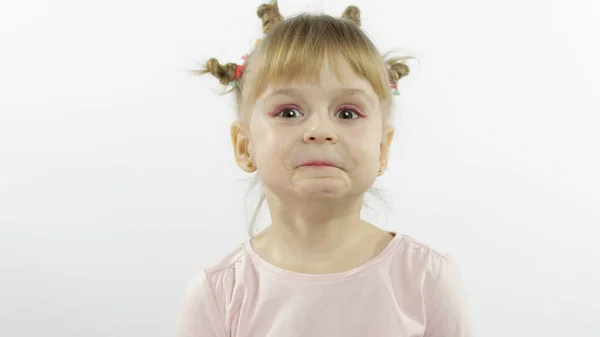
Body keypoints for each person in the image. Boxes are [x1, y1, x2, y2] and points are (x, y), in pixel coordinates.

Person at [175, 1, 473, 336]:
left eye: (347, 113)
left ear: (381, 149)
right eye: (289, 112)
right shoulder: (219, 294)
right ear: (245, 146)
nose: (319, 129)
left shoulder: (425, 279)